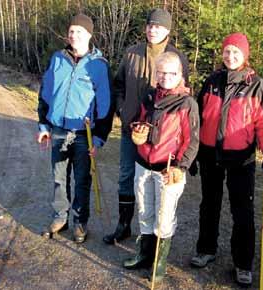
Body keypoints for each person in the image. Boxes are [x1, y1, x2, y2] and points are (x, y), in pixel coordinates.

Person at [189, 32, 263, 287]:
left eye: (236, 52)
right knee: (209, 205)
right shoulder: (212, 81)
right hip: (209, 155)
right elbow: (198, 118)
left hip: (241, 158)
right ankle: (206, 249)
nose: (230, 56)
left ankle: (243, 263)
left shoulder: (255, 84)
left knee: (243, 211)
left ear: (245, 55)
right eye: (227, 51)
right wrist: (192, 152)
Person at [103, 8, 189, 245]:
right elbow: (118, 86)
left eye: (159, 27)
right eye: (150, 25)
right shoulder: (131, 54)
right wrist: (122, 110)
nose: (153, 30)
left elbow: (183, 94)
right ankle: (123, 225)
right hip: (132, 129)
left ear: (167, 31)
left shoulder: (177, 57)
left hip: (162, 136)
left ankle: (153, 236)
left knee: (157, 184)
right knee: (126, 176)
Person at [122, 52, 199, 283]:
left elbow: (192, 140)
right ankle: (144, 254)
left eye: (171, 73)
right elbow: (141, 121)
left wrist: (180, 167)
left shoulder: (187, 103)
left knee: (163, 217)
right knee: (145, 211)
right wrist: (137, 130)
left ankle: (159, 262)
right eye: (161, 72)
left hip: (169, 169)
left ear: (180, 75)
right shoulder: (149, 96)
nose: (165, 77)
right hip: (143, 164)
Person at [37, 14, 112, 243]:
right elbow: (45, 94)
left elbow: (106, 105)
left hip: (84, 133)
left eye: (79, 31)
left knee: (82, 180)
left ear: (89, 35)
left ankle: (80, 222)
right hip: (59, 129)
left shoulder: (99, 65)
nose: (74, 35)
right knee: (59, 178)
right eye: (71, 31)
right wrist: (43, 124)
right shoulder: (57, 59)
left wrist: (98, 138)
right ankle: (60, 217)